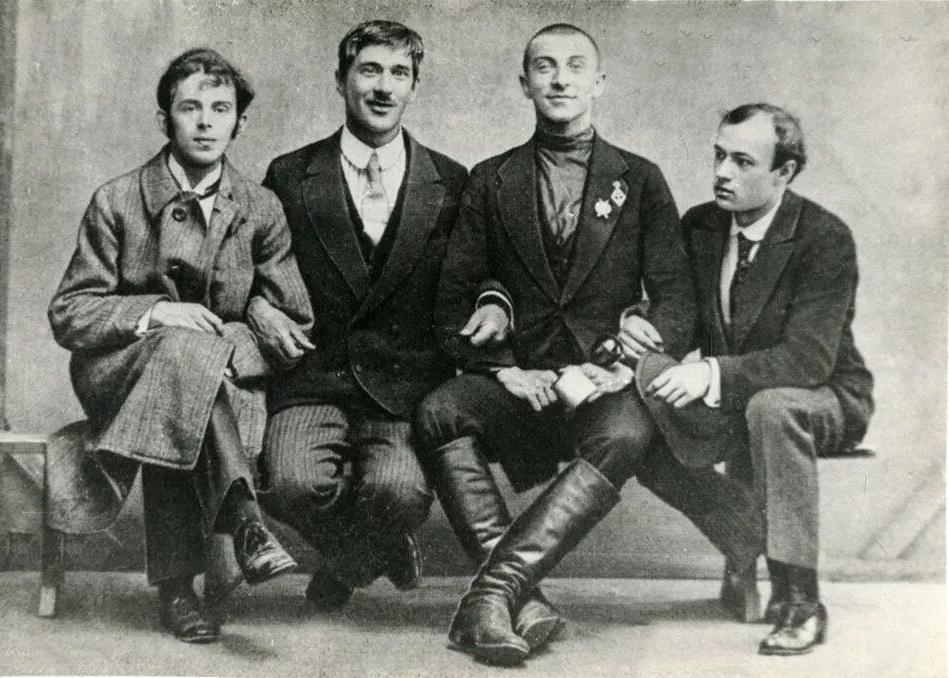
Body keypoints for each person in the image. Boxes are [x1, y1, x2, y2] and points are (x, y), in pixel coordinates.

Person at [413, 24, 759, 666]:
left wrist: (629, 359)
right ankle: (521, 601)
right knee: (439, 411)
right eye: (544, 67)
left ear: (599, 83)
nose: (560, 79)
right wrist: (504, 369)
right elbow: (452, 298)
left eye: (576, 66)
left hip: (604, 382)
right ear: (524, 84)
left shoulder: (641, 179)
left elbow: (676, 297)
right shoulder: (490, 180)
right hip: (525, 385)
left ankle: (493, 593)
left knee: (629, 433)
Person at [48, 48, 313, 643]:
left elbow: (294, 322)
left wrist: (224, 347)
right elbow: (69, 314)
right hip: (119, 372)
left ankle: (177, 591)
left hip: (219, 378)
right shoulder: (117, 200)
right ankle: (245, 522)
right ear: (163, 118)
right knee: (176, 359)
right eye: (190, 107)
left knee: (185, 376)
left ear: (240, 122)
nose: (205, 122)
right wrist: (156, 312)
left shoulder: (261, 208)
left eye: (220, 109)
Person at [627, 103, 874, 655]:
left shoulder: (823, 238)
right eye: (719, 156)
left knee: (772, 408)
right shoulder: (701, 226)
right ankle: (741, 534)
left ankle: (801, 600)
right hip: (736, 396)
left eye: (742, 162)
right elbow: (681, 318)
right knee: (639, 391)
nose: (722, 173)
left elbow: (809, 359)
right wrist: (638, 326)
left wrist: (711, 371)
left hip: (824, 396)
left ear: (784, 172)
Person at [259, 20, 468, 610]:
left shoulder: (451, 181)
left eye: (399, 73)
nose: (384, 87)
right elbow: (244, 264)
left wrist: (492, 303)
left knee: (400, 494)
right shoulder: (290, 175)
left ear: (414, 87)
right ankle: (381, 548)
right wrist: (257, 306)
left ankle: (347, 566)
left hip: (403, 387)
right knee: (290, 485)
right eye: (369, 70)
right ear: (341, 80)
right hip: (314, 375)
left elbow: (479, 274)